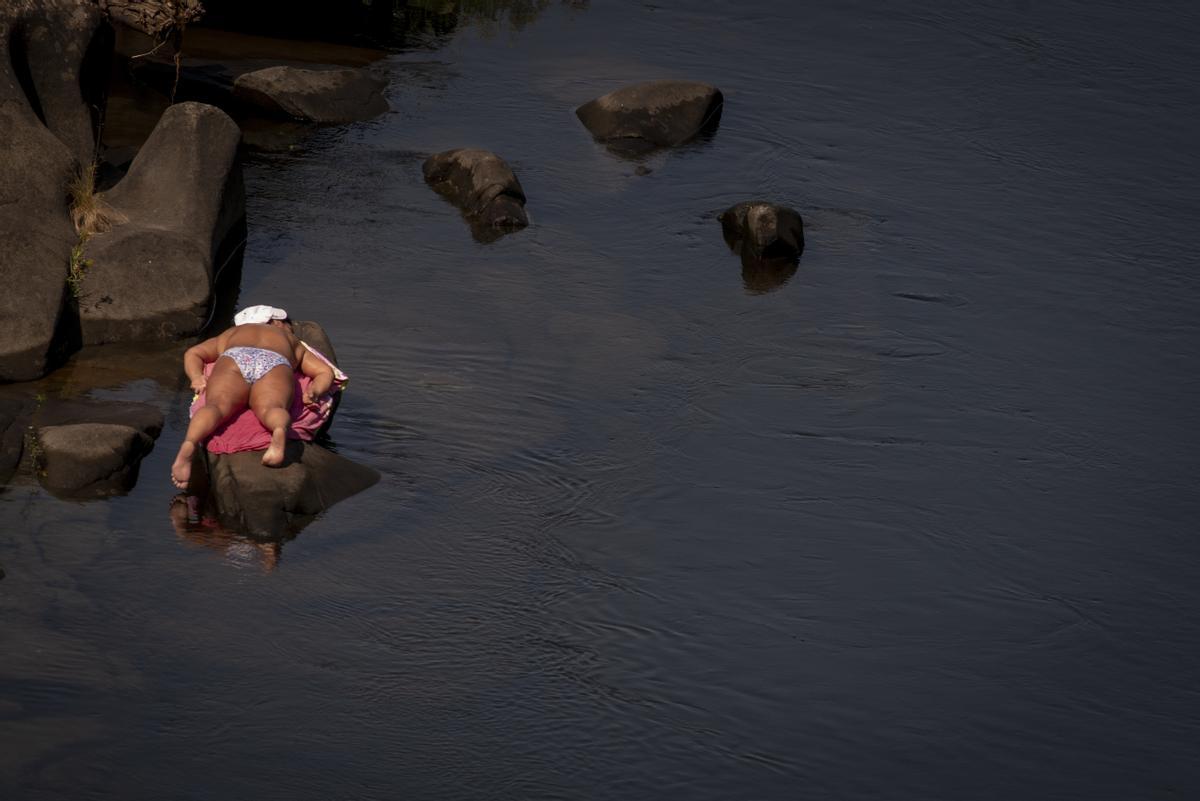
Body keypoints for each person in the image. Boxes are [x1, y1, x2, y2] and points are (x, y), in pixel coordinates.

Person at [170, 304, 335, 490]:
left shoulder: (230, 334)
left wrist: (197, 378)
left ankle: (189, 443)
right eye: (288, 323)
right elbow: (325, 372)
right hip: (273, 360)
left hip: (236, 357)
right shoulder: (290, 339)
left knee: (216, 406)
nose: (292, 327)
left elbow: (193, 353)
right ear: (276, 323)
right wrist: (314, 390)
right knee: (272, 408)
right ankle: (279, 432)